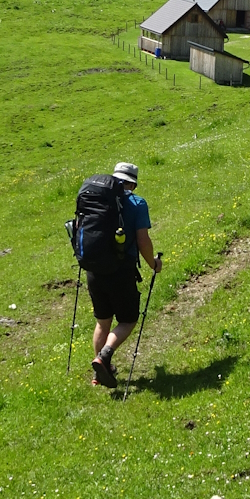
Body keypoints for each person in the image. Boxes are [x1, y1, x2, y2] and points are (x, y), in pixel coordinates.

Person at [89, 160, 160, 387]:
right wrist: (153, 263)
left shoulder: (96, 199)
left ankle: (99, 374)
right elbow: (142, 241)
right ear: (133, 184)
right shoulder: (137, 203)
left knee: (103, 321)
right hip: (120, 270)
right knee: (128, 320)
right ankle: (104, 356)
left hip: (94, 268)